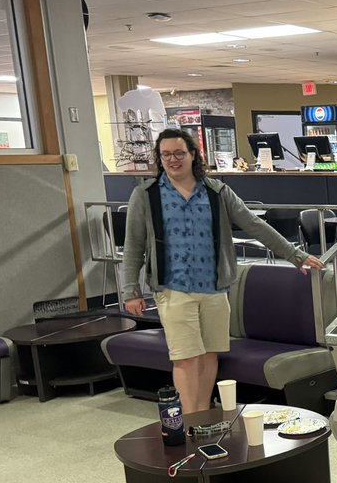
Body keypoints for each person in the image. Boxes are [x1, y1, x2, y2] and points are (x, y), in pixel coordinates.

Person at [121, 128, 323, 413]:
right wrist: (130, 290)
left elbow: (255, 225)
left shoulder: (217, 192)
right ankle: (190, 419)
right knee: (186, 358)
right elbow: (133, 246)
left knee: (209, 355)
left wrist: (295, 255)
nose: (173, 159)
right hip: (172, 289)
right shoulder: (145, 195)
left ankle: (202, 415)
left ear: (193, 155)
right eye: (166, 154)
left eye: (179, 153)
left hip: (215, 289)